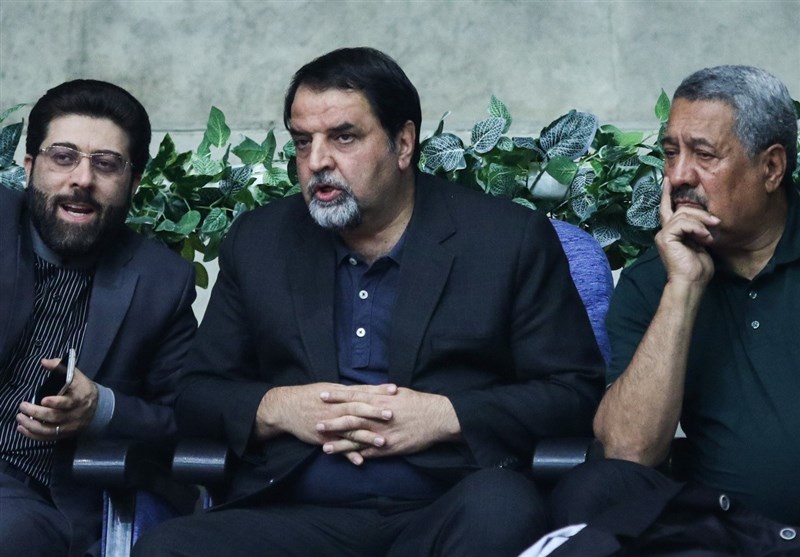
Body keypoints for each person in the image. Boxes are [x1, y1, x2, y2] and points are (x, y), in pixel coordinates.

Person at [133, 47, 605, 557]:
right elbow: (196, 394)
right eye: (303, 141)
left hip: (448, 502)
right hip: (293, 512)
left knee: (501, 511)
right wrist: (279, 408)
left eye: (343, 137)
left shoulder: (505, 239)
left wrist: (445, 416)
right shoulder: (261, 240)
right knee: (167, 549)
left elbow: (573, 393)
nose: (317, 162)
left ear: (403, 144)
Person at [548, 65, 800, 551]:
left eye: (704, 155)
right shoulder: (654, 278)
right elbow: (627, 451)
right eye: (670, 153)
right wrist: (682, 288)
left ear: (771, 168)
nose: (679, 175)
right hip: (717, 535)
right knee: (594, 488)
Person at [0, 79, 197, 557]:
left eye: (106, 164)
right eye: (63, 157)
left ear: (134, 182)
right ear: (29, 166)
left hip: (34, 497)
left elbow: (189, 416)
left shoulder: (161, 280)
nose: (82, 179)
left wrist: (101, 408)